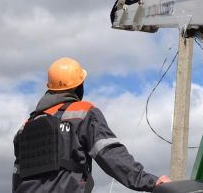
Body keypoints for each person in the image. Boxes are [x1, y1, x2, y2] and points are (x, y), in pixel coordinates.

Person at [12, 57, 171, 193]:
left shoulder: (25, 127)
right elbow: (110, 154)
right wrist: (151, 182)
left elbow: (18, 176)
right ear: (78, 86)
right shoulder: (83, 112)